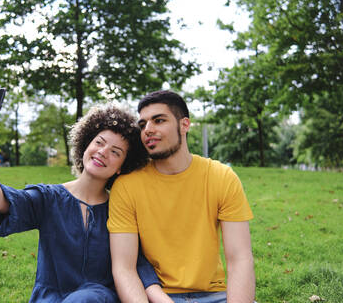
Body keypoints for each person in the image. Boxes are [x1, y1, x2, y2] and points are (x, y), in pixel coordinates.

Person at [0, 104, 161, 302]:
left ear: (122, 167)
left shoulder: (120, 210)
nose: (103, 152)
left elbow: (137, 266)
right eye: (99, 142)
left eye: (115, 152)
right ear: (86, 144)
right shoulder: (49, 198)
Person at [107, 90, 255, 303]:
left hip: (216, 295)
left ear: (184, 125)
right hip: (154, 296)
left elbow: (240, 259)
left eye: (158, 120)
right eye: (143, 124)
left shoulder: (221, 177)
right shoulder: (127, 186)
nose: (148, 129)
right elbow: (124, 269)